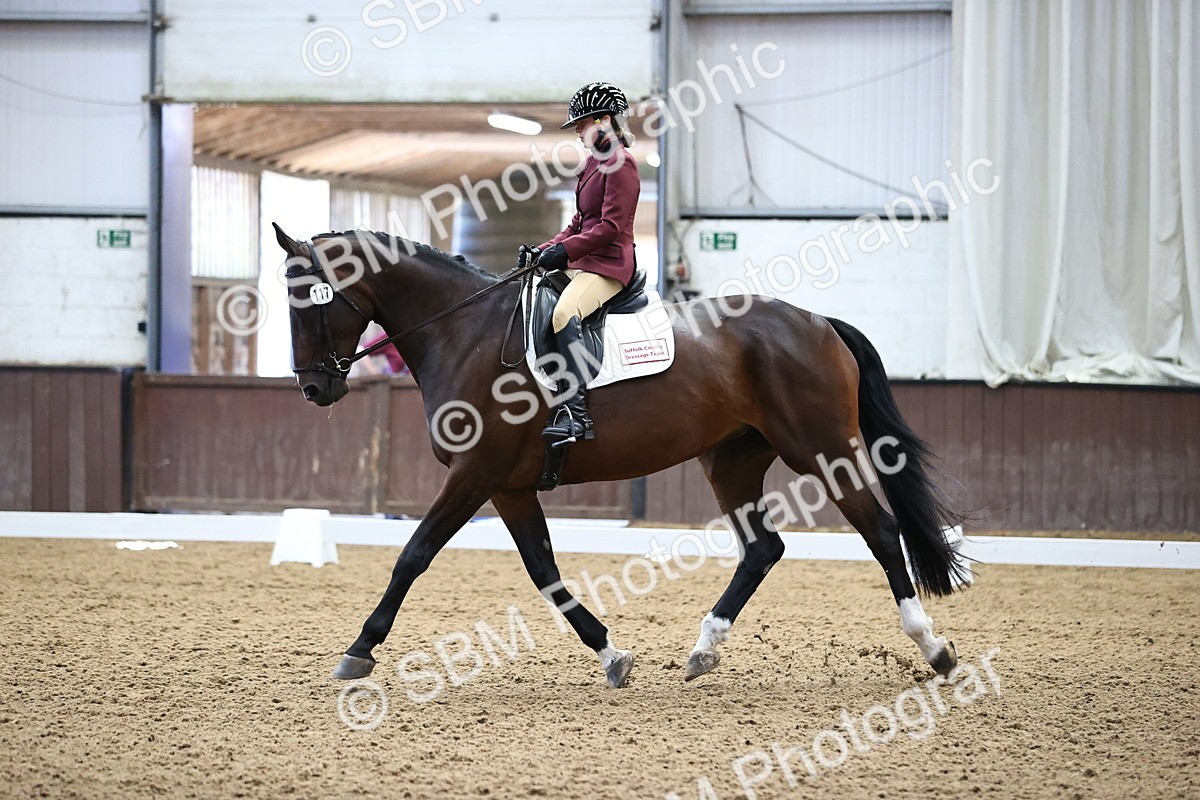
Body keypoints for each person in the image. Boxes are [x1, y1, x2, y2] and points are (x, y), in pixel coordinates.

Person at [529, 81, 641, 449]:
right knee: (533, 293)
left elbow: (610, 228)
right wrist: (542, 250)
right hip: (586, 258)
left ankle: (575, 415)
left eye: (581, 123)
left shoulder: (621, 166)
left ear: (603, 119)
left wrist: (564, 253)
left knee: (564, 314)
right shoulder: (595, 162)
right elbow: (580, 222)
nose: (577, 131)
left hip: (609, 266)